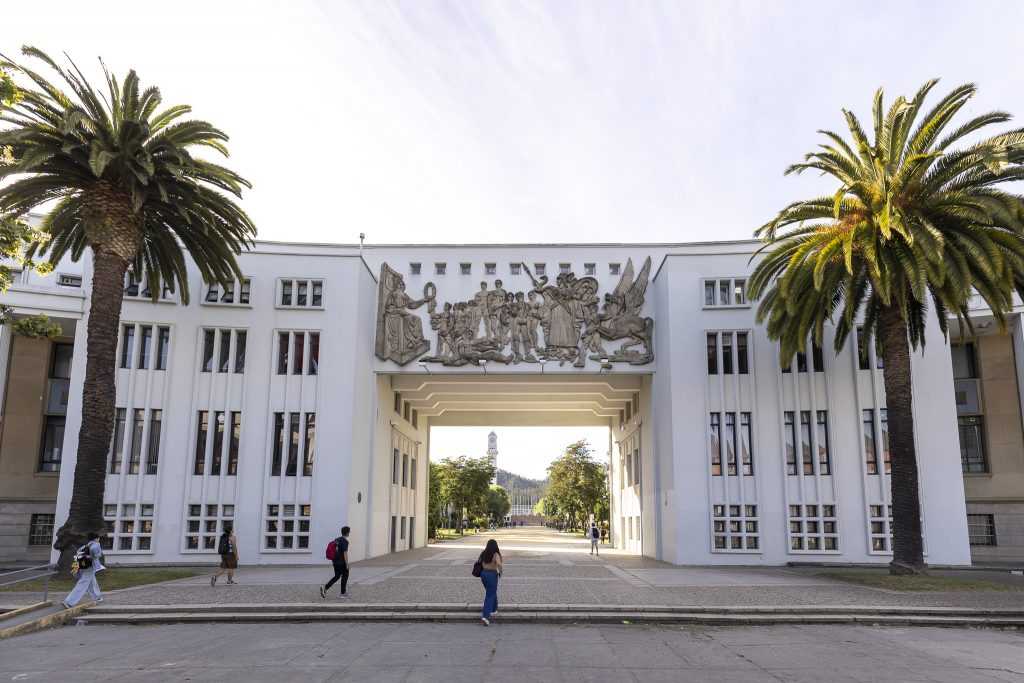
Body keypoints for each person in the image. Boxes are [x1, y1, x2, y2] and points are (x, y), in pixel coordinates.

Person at [63, 531, 104, 608]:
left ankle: (97, 597)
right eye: (98, 538)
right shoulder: (96, 544)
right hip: (90, 566)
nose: (99, 539)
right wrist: (94, 555)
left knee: (92, 581)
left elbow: (78, 553)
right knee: (83, 583)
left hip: (83, 565)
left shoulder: (86, 545)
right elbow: (97, 555)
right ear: (96, 538)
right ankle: (70, 602)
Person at [320, 526, 350, 599]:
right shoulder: (345, 541)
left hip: (335, 561)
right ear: (347, 533)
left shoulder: (337, 539)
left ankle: (325, 588)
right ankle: (342, 593)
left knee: (337, 576)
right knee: (345, 575)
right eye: (349, 532)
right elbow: (345, 553)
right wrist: (347, 564)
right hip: (341, 562)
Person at [478, 539, 502, 626]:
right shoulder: (495, 554)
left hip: (483, 574)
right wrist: (501, 571)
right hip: (492, 574)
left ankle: (494, 609)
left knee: (491, 591)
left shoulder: (483, 553)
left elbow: (479, 562)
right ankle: (485, 616)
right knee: (490, 595)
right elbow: (499, 564)